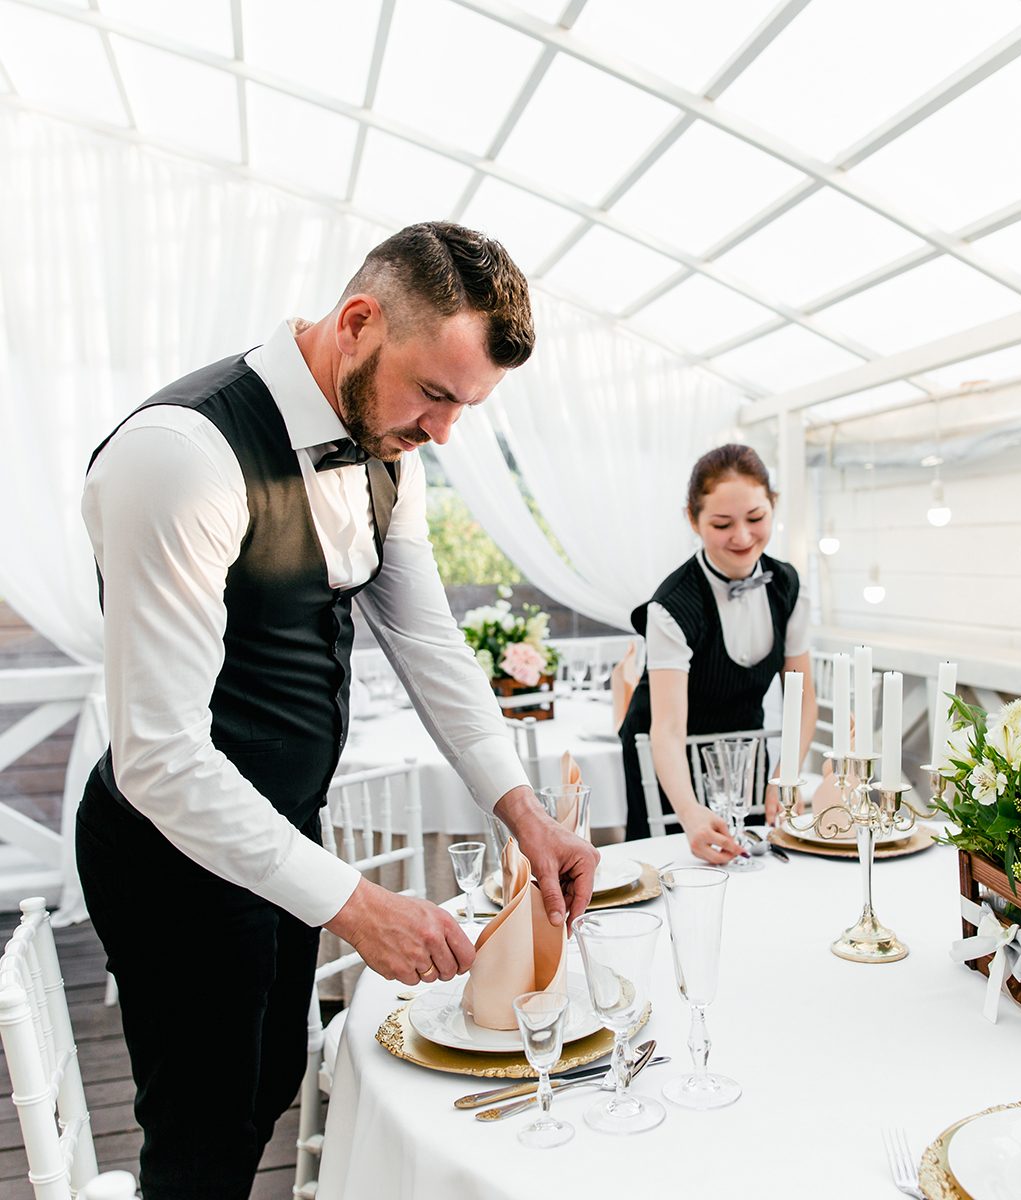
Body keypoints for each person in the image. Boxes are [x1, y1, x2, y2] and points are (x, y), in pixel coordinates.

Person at [77, 222, 599, 1200]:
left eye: (466, 407)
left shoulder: (389, 446)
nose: (444, 431)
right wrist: (358, 906)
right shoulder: (181, 456)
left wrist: (522, 812)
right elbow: (158, 758)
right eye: (436, 393)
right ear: (358, 323)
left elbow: (428, 642)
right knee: (199, 1140)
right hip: (168, 856)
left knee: (270, 1082)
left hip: (284, 835)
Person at [618, 444, 817, 862]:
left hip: (744, 755)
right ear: (693, 519)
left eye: (757, 518)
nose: (743, 537)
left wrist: (787, 775)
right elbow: (667, 729)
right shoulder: (671, 606)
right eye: (723, 523)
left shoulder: (787, 586)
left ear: (773, 506)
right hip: (668, 761)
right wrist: (688, 812)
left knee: (757, 864)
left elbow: (802, 701)